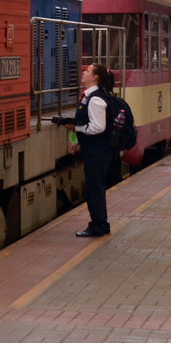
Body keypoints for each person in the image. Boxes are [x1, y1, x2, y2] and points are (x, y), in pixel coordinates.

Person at [53, 63, 114, 238]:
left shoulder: (95, 99)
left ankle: (97, 225)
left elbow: (98, 127)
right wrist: (79, 141)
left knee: (94, 189)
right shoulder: (90, 97)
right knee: (96, 188)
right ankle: (101, 224)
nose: (83, 72)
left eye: (87, 71)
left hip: (97, 152)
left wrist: (76, 129)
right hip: (94, 150)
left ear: (95, 77)